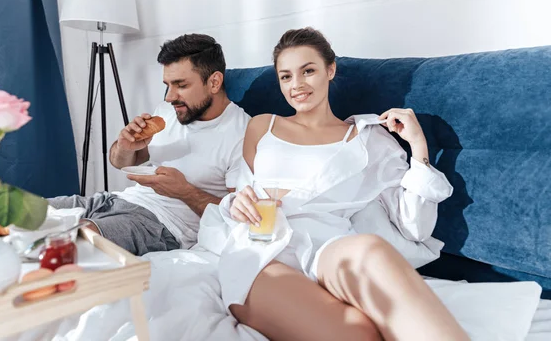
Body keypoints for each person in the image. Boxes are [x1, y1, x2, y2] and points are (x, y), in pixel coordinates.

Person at [197, 28, 468, 340]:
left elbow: (414, 228)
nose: (296, 85)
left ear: (330, 69)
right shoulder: (263, 126)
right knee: (358, 332)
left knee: (372, 249)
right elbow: (240, 193)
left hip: (328, 245)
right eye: (285, 76)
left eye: (308, 71)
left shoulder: (368, 138)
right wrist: (237, 202)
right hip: (261, 248)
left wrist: (418, 147)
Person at [47, 34, 250, 255]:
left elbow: (237, 217)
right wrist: (125, 146)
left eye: (180, 85)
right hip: (115, 200)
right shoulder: (169, 111)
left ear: (214, 82)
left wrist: (185, 192)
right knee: (19, 212)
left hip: (160, 226)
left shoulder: (243, 134)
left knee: (71, 240)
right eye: (168, 85)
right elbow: (119, 162)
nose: (170, 97)